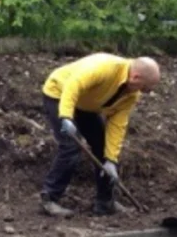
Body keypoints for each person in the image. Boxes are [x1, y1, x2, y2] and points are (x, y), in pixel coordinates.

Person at [40, 53, 161, 217]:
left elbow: (117, 125)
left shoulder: (131, 94)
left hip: (86, 104)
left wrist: (111, 159)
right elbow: (74, 85)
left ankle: (105, 202)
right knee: (70, 147)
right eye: (144, 88)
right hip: (60, 94)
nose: (144, 93)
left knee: (103, 148)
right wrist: (66, 116)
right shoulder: (105, 68)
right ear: (136, 77)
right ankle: (49, 199)